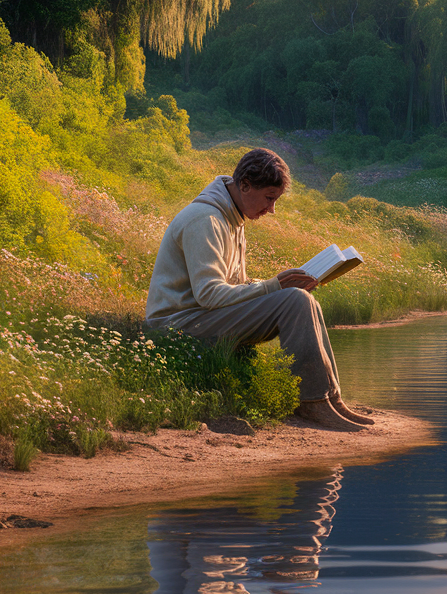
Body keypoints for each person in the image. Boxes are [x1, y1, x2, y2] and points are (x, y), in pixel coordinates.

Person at [145, 147, 373, 431]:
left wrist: (280, 286)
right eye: (269, 198)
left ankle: (331, 399)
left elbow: (233, 285)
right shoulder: (206, 220)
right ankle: (312, 404)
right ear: (244, 185)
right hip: (176, 326)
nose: (271, 209)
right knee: (293, 301)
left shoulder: (233, 216)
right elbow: (208, 294)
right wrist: (274, 287)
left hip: (200, 317)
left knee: (303, 300)